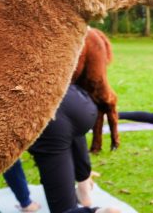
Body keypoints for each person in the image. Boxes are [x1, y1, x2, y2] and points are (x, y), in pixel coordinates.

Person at [28, 84, 119, 213]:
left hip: (46, 115)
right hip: (79, 101)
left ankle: (93, 211)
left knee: (63, 208)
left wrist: (25, 202)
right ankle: (84, 188)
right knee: (72, 132)